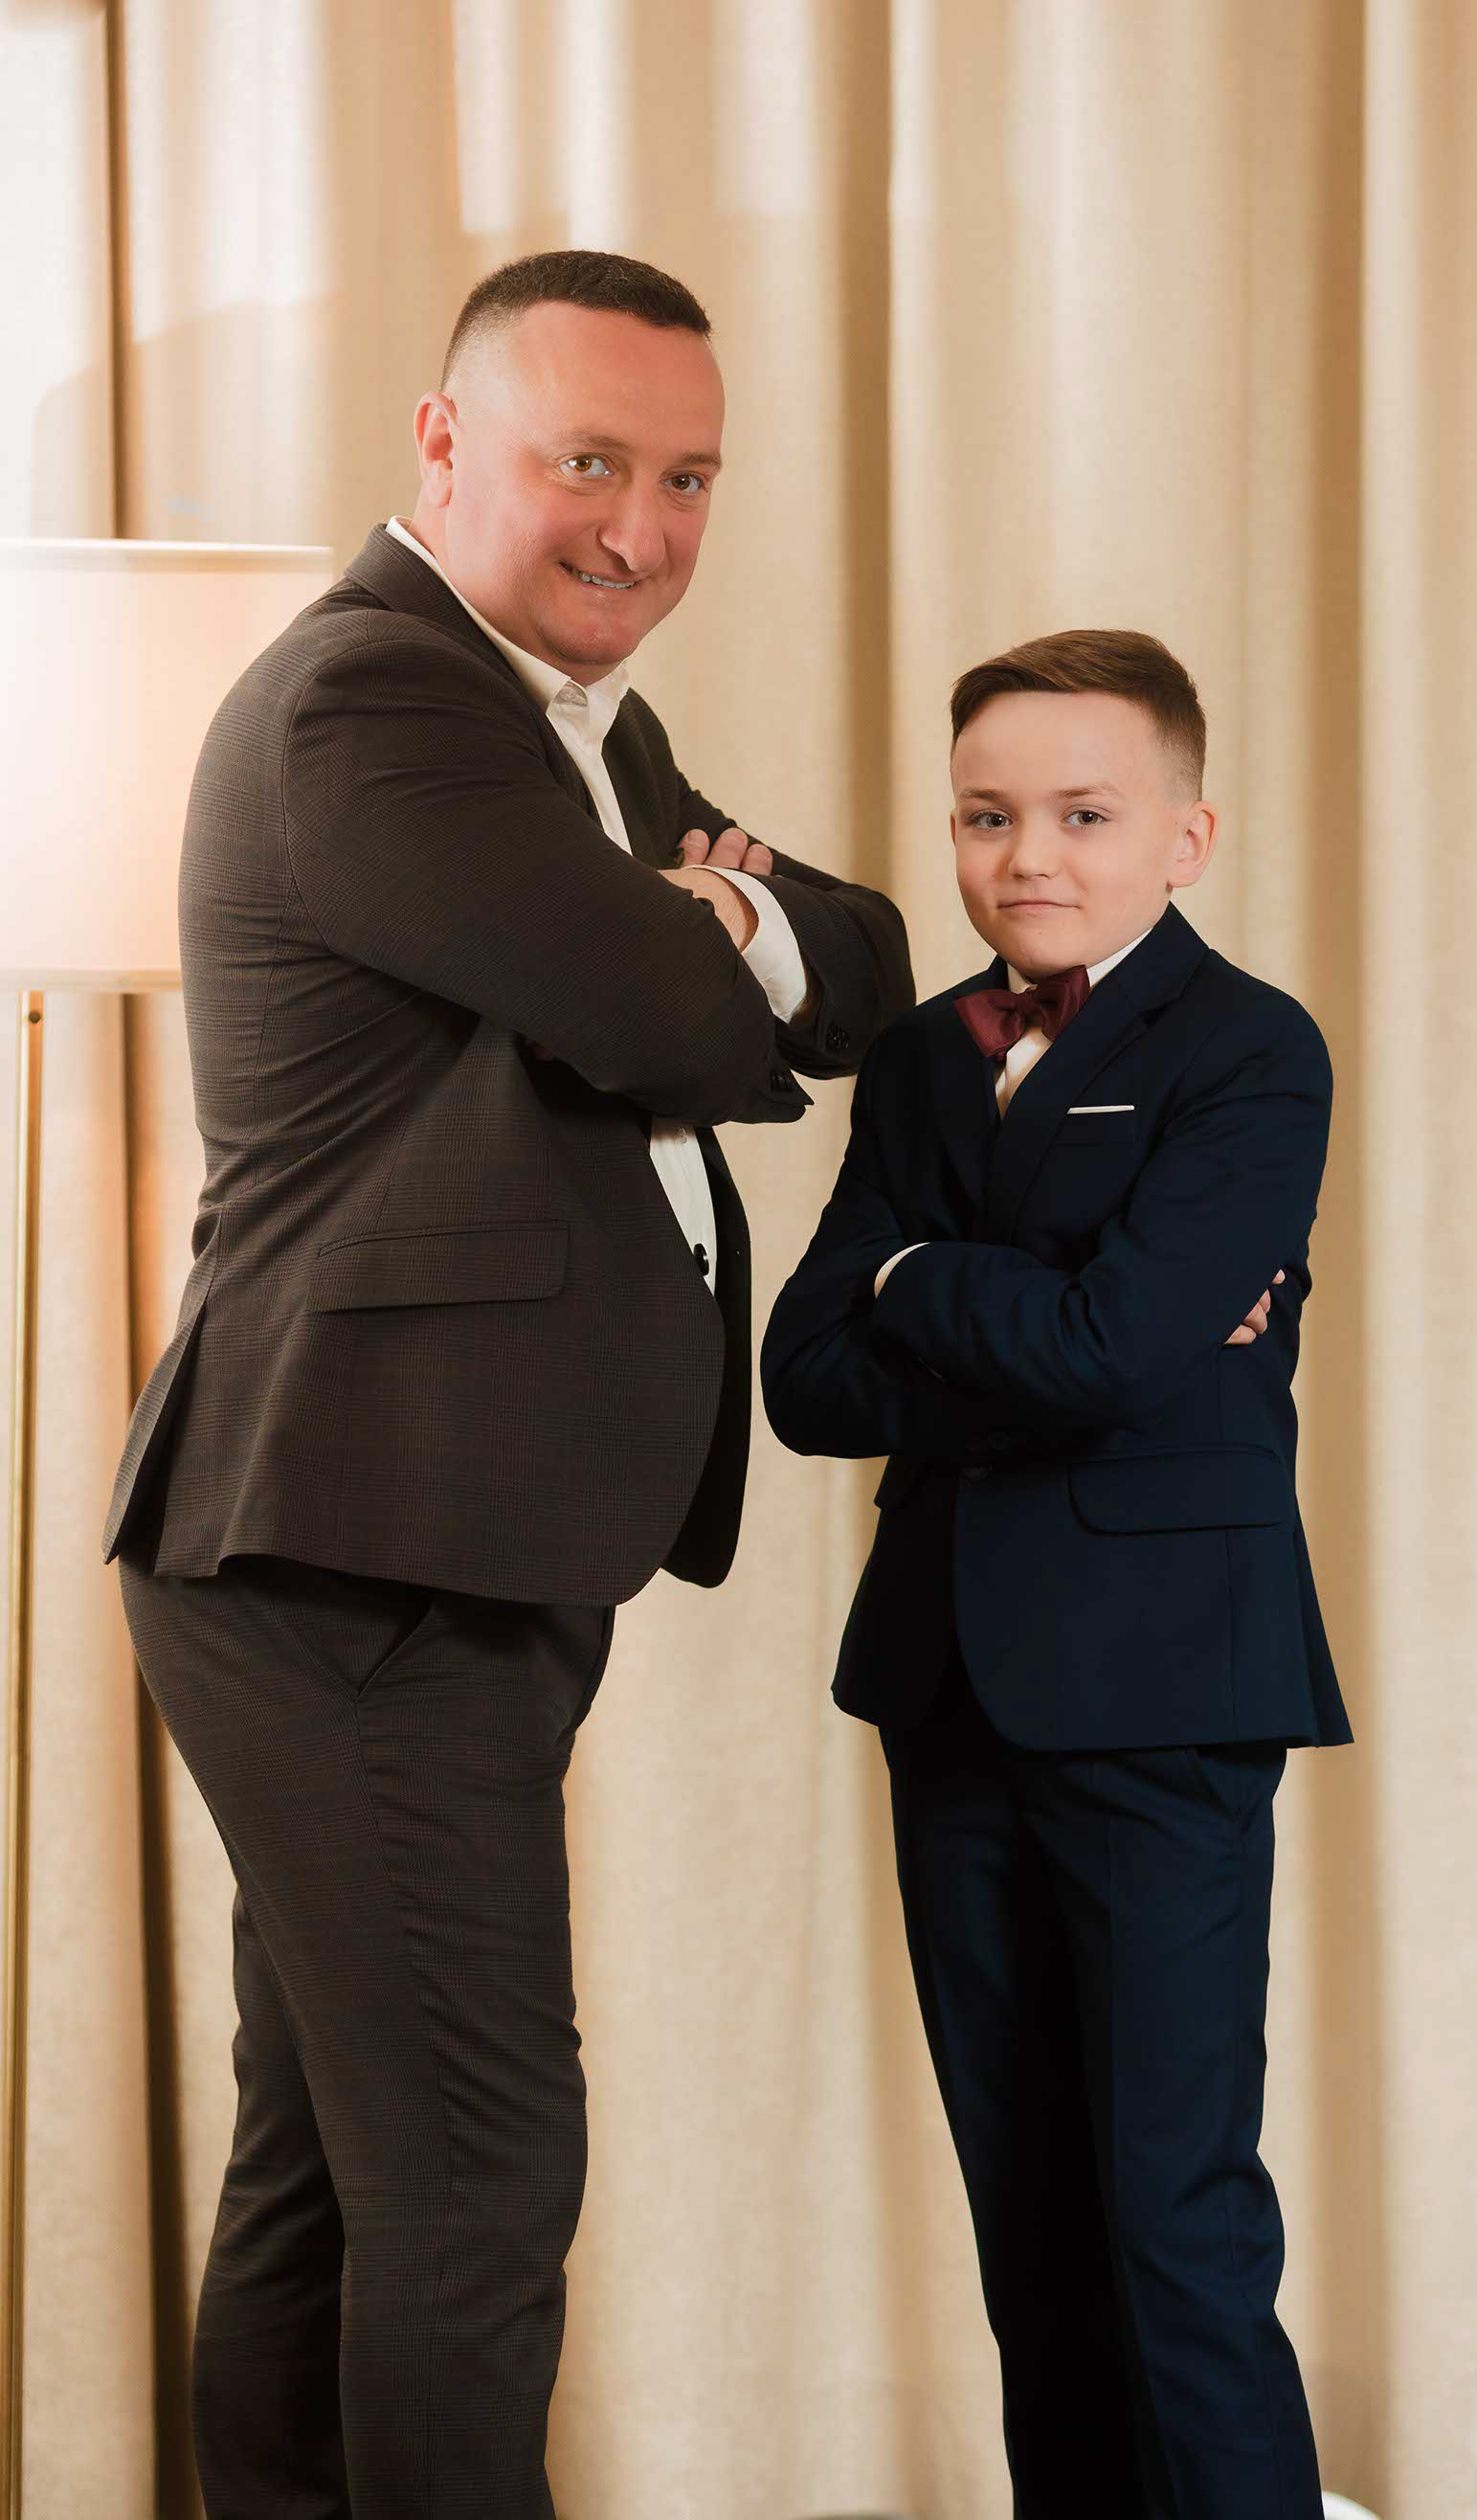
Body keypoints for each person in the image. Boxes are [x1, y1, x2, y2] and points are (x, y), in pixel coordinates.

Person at [102, 248, 912, 2520]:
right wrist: (702, 929)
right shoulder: (377, 699)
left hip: (410, 1535)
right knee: (474, 2170)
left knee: (334, 2155)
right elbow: (668, 1020)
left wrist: (716, 917)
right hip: (353, 1545)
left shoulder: (576, 727)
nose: (639, 529)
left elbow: (858, 963)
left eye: (687, 478)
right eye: (587, 461)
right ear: (444, 444)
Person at [760, 627, 1349, 2518]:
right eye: (986, 815)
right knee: (1028, 2230)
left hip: (1162, 1689)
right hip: (945, 1687)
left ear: (1185, 833)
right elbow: (804, 1377)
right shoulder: (919, 1058)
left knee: (1172, 2217)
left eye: (1083, 814)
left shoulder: (1249, 1049)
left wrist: (917, 1278)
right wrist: (1046, 1322)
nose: (1028, 856)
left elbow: (1111, 1349)